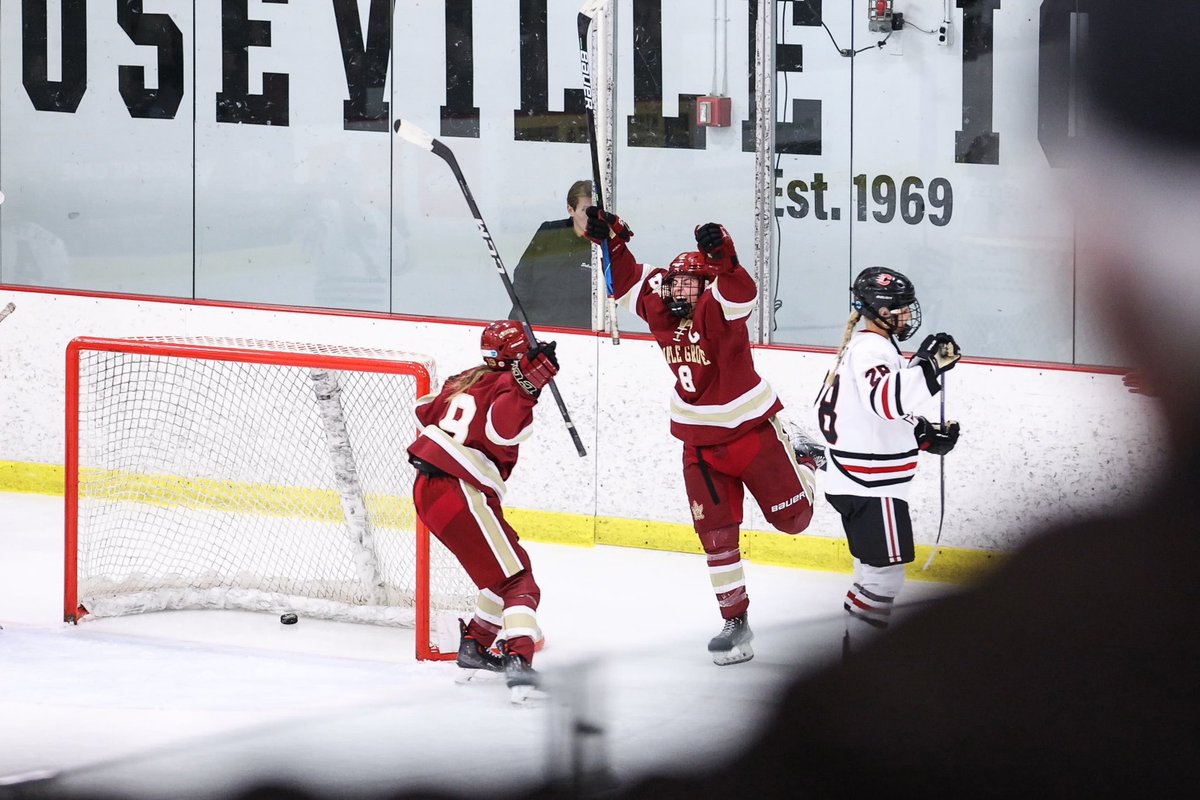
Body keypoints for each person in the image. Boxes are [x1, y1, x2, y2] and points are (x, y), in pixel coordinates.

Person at [584, 209, 821, 665]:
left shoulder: (719, 306)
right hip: (699, 443)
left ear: (705, 286)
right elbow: (627, 281)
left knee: (794, 523)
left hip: (752, 433)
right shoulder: (662, 301)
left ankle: (803, 458)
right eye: (673, 284)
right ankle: (736, 622)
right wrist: (609, 241)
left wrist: (724, 258)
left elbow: (743, 293)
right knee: (715, 535)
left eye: (687, 285)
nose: (677, 291)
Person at [406, 319, 559, 703]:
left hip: (428, 489)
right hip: (460, 488)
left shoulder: (465, 378)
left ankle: (475, 647)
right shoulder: (511, 388)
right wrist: (529, 386)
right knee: (519, 581)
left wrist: (522, 381)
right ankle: (519, 665)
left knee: (499, 572)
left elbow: (425, 410)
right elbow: (503, 429)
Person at [814, 267, 960, 656]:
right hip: (871, 485)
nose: (908, 317)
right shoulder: (871, 350)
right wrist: (928, 367)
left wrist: (922, 434)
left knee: (870, 575)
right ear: (879, 311)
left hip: (853, 480)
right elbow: (887, 401)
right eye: (900, 309)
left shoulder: (865, 347)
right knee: (884, 581)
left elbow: (868, 414)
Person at [508, 180, 595, 328]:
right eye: (585, 210)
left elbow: (614, 292)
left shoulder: (603, 244)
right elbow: (522, 274)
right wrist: (522, 318)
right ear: (571, 210)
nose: (591, 217)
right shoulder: (549, 232)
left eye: (594, 211)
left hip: (579, 332)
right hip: (535, 325)